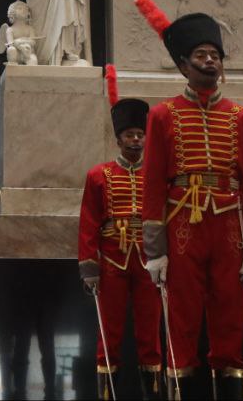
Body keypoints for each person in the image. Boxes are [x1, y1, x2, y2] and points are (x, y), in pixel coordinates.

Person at [133, 0, 243, 400]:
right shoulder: (161, 116)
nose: (210, 61)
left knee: (230, 317)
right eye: (201, 55)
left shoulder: (242, 117)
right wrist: (154, 251)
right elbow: (152, 183)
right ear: (183, 65)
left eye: (215, 55)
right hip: (181, 226)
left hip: (228, 226)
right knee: (183, 318)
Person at [78, 67, 162, 400]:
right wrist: (89, 267)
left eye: (140, 135)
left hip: (148, 260)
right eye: (130, 135)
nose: (136, 140)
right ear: (119, 138)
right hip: (112, 260)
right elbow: (89, 221)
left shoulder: (157, 175)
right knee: (108, 334)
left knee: (150, 335)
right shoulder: (99, 175)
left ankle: (152, 394)